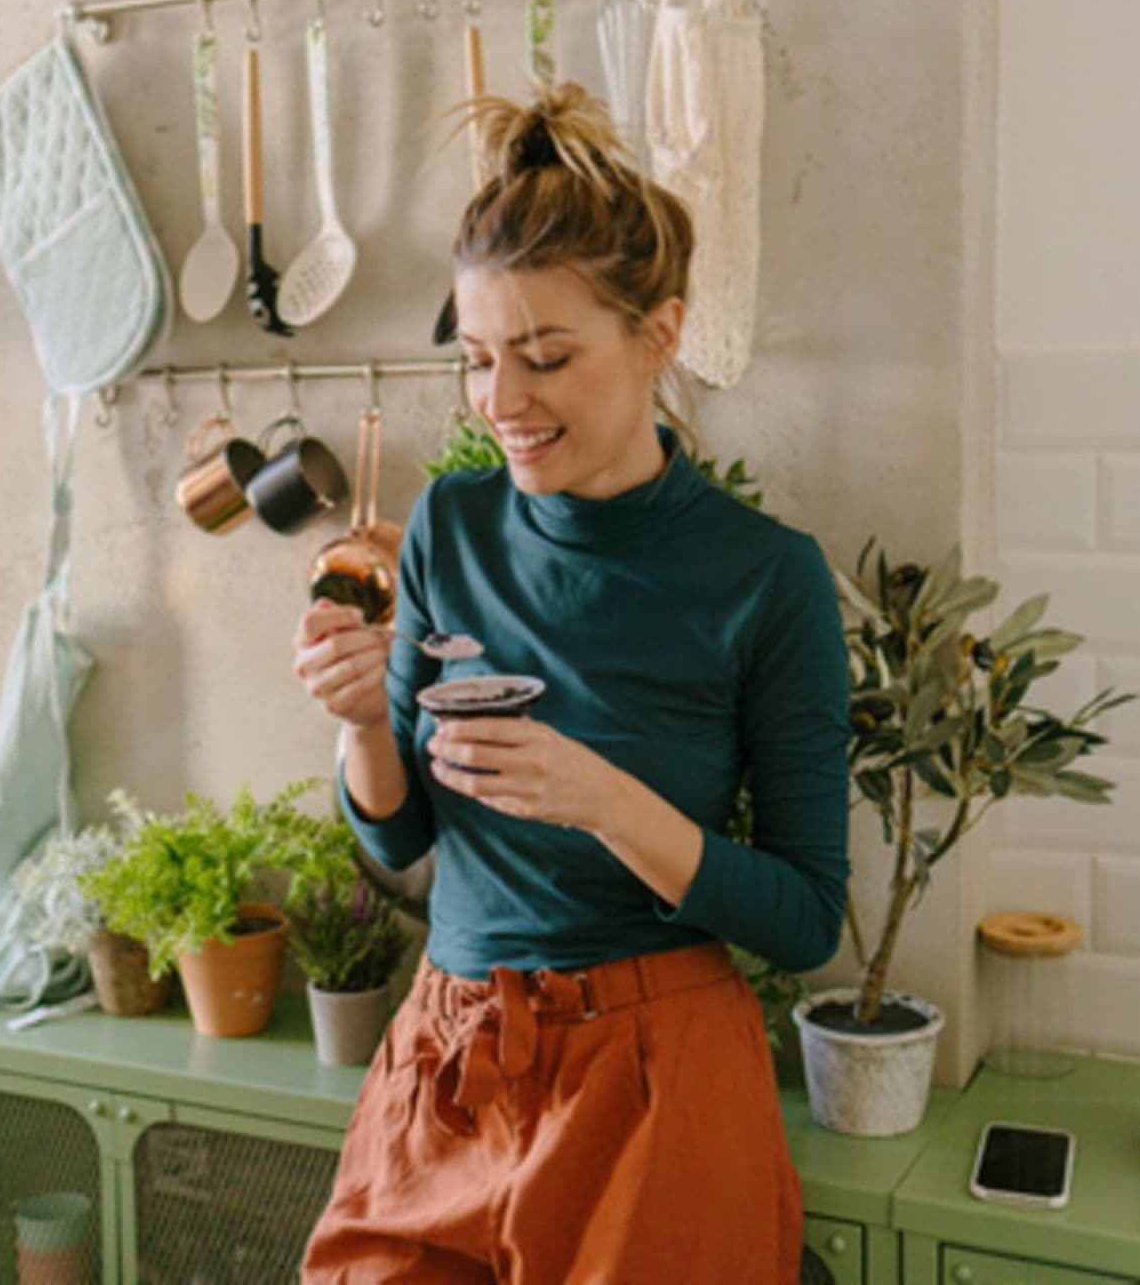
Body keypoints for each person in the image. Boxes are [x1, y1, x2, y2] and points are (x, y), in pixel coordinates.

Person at [293, 82, 850, 1285]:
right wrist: (359, 726)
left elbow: (806, 920)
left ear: (659, 332)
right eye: (481, 359)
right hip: (449, 1056)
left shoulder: (765, 579)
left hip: (652, 1075)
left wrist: (602, 797)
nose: (500, 404)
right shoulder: (452, 523)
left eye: (544, 358)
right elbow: (398, 842)